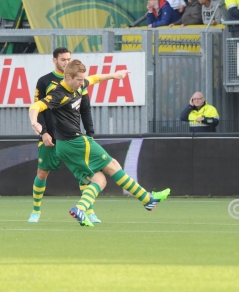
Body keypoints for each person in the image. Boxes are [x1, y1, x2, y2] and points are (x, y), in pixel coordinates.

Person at [28, 60, 169, 227]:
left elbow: (95, 78)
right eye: (79, 80)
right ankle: (147, 199)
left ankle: (81, 208)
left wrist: (114, 75)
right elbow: (36, 106)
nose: (82, 83)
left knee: (99, 180)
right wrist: (34, 122)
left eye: (82, 79)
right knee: (113, 165)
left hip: (64, 146)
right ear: (68, 77)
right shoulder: (59, 94)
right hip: (76, 142)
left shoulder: (78, 85)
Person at [27, 48, 99, 224]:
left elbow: (85, 109)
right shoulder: (44, 81)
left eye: (69, 59)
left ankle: (89, 211)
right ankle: (36, 211)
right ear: (55, 60)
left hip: (72, 136)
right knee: (42, 173)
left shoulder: (78, 81)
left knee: (83, 173)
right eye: (63, 59)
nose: (66, 62)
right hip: (50, 136)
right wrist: (44, 132)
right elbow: (39, 107)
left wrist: (90, 133)